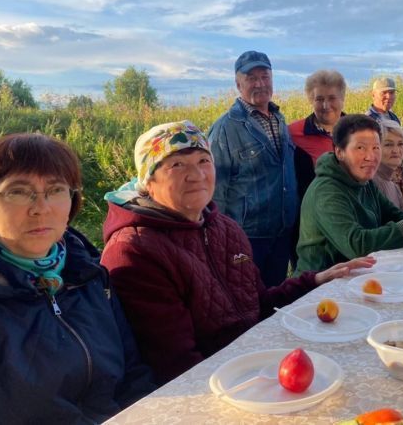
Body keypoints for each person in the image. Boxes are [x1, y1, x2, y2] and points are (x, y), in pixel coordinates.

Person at [101, 121, 374, 385]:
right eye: (177, 164)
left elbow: (258, 305)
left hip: (256, 361)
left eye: (203, 161)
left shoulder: (224, 228)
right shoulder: (134, 249)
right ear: (149, 181)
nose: (196, 175)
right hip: (220, 385)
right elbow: (177, 366)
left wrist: (315, 280)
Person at [0, 133, 153, 424]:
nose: (41, 207)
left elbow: (133, 374)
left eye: (55, 190)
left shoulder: (89, 275)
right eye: (17, 191)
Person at [295, 114, 403, 274]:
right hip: (319, 286)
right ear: (340, 152)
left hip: (357, 275)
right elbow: (357, 245)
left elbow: (393, 215)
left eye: (376, 148)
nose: (370, 157)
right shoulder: (327, 191)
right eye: (360, 148)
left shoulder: (363, 180)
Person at [208, 50, 297, 286]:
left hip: (281, 231)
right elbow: (215, 191)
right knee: (247, 302)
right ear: (238, 84)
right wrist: (223, 241)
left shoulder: (279, 119)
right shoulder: (225, 129)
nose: (260, 84)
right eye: (251, 78)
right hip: (247, 237)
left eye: (265, 77)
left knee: (275, 298)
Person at [289, 69, 346, 199]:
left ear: (342, 98)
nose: (326, 105)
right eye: (319, 99)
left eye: (332, 98)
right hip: (313, 208)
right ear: (311, 101)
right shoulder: (293, 133)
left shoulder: (356, 130)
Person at [373, 119, 403, 210]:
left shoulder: (394, 188)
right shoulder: (370, 185)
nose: (396, 150)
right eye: (388, 145)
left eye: (400, 144)